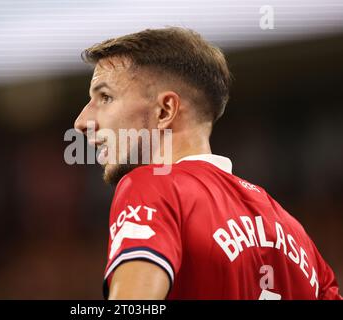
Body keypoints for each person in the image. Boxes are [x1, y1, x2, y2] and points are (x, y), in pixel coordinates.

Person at [74, 27, 342, 300]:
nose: (82, 122)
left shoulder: (152, 187)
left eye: (105, 97)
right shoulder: (296, 236)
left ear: (165, 110)